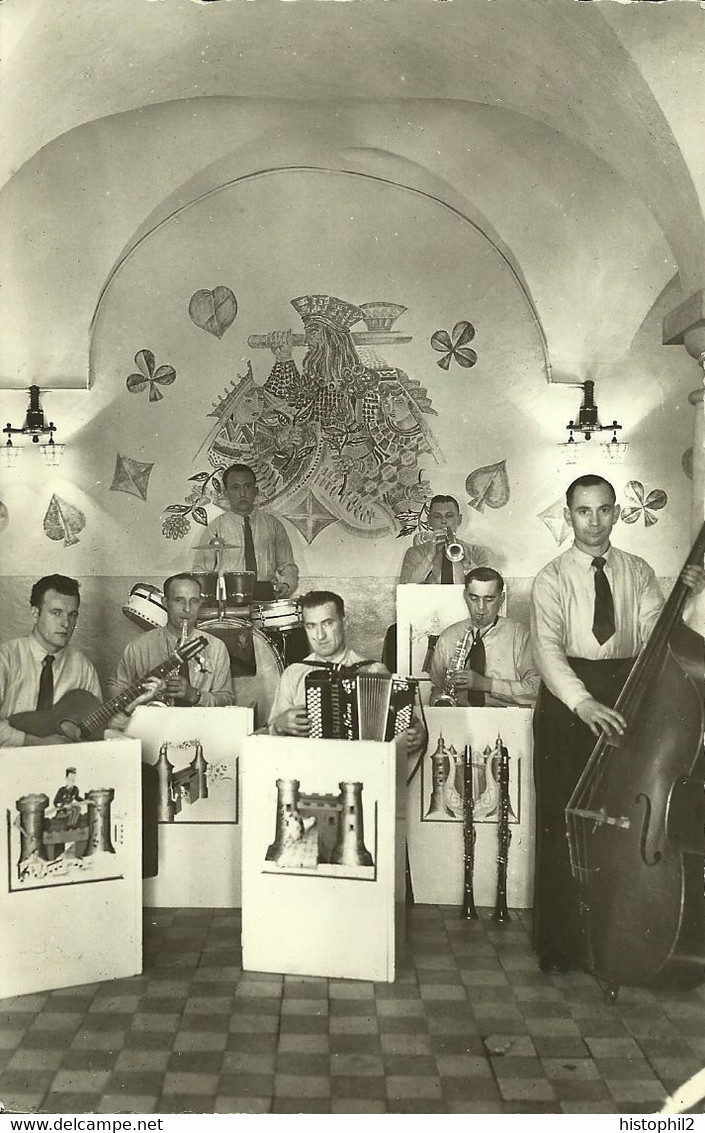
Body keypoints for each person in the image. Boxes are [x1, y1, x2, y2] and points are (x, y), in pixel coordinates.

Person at [530, 473, 705, 973]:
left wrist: (686, 601)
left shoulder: (639, 570)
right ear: (568, 517)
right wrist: (583, 704)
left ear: (617, 513)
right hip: (569, 704)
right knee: (563, 820)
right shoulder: (551, 577)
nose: (595, 521)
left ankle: (610, 942)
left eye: (605, 509)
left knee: (619, 822)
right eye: (584, 511)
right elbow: (546, 650)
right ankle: (561, 948)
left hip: (627, 695)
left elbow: (658, 635)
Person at [268, 589, 427, 756]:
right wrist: (279, 725)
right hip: (310, 768)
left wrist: (418, 734)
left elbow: (410, 725)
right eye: (311, 626)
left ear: (344, 623)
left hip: (363, 770)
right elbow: (270, 739)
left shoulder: (374, 671)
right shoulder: (293, 674)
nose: (320, 635)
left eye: (328, 623)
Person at [0, 574, 101, 747]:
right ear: (35, 613)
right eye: (56, 613)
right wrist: (36, 742)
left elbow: (96, 727)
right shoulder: (6, 658)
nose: (66, 624)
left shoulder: (83, 667)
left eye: (72, 615)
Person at [107, 573, 234, 709]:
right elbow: (115, 687)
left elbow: (226, 699)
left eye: (194, 601)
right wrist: (141, 700)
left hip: (199, 725)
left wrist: (195, 696)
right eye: (179, 600)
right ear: (165, 603)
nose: (187, 609)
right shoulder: (138, 646)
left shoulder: (216, 646)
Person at [429, 567, 539, 707]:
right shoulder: (448, 636)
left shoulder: (521, 635)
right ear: (465, 596)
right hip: (459, 720)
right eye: (473, 598)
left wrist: (485, 684)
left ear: (501, 599)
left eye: (489, 599)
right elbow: (438, 686)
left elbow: (536, 689)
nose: (481, 608)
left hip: (506, 722)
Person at [192, 463, 299, 600]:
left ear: (255, 491)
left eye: (247, 487)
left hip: (265, 594)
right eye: (235, 488)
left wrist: (287, 584)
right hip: (228, 596)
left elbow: (287, 565)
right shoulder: (216, 527)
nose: (242, 494)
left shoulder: (273, 524)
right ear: (226, 493)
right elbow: (201, 570)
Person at [400, 495, 489, 585]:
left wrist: (466, 561)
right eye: (437, 516)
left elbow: (486, 585)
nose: (443, 521)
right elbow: (405, 587)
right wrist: (429, 557)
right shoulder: (414, 552)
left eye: (449, 516)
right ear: (429, 520)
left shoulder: (477, 552)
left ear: (459, 520)